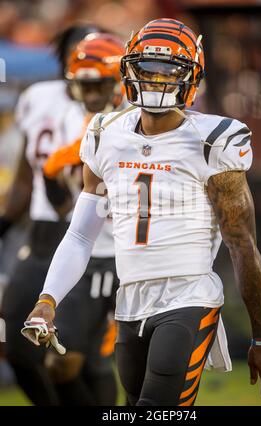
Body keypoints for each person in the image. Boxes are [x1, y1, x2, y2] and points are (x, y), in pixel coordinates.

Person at [25, 18, 261, 406]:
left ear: (191, 78)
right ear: (129, 70)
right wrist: (48, 299)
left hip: (189, 294)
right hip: (130, 298)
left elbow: (242, 244)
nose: (157, 81)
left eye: (169, 72)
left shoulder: (213, 141)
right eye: (148, 70)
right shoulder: (104, 134)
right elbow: (80, 235)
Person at [1, 24, 116, 406]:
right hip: (45, 235)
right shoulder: (39, 97)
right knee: (19, 347)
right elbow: (26, 179)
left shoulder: (122, 113)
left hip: (101, 242)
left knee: (80, 362)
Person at [42, 32, 126, 406]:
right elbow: (63, 207)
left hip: (133, 257)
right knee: (64, 363)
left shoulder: (139, 124)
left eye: (99, 85)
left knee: (126, 367)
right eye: (83, 86)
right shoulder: (82, 126)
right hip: (88, 255)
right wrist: (51, 173)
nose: (91, 95)